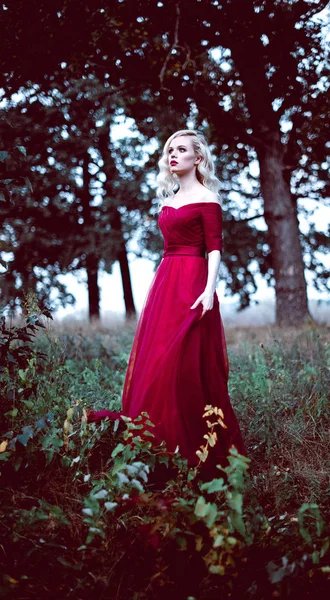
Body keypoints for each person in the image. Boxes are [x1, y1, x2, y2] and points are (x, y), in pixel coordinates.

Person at [87, 129, 245, 475]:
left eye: (181, 150)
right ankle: (155, 442)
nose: (173, 155)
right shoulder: (168, 200)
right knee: (158, 361)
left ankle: (194, 448)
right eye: (170, 150)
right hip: (166, 283)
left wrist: (208, 290)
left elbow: (215, 248)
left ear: (197, 158)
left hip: (193, 283)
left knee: (185, 363)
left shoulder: (208, 198)